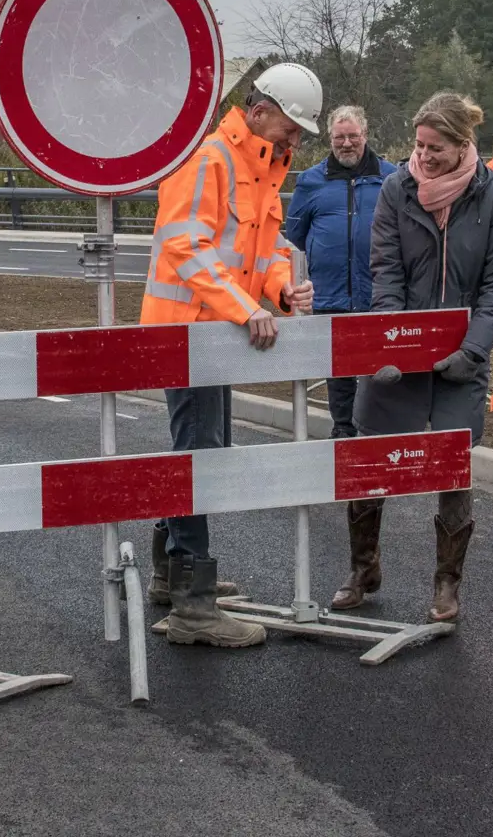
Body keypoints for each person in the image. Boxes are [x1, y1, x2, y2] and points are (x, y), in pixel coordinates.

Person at [141, 62, 320, 648]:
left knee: (204, 454)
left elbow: (259, 250)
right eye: (292, 128)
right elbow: (184, 246)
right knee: (200, 461)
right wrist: (246, 308)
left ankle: (172, 574)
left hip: (212, 335)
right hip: (187, 332)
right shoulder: (209, 157)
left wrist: (278, 288)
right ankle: (193, 607)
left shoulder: (260, 167)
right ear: (260, 110)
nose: (296, 141)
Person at [333, 92, 493, 622]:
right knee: (372, 459)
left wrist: (474, 349)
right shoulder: (398, 189)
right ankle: (362, 567)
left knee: (452, 471)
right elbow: (385, 269)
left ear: (464, 145)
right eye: (419, 146)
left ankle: (446, 584)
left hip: (462, 357)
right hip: (398, 355)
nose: (425, 156)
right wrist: (392, 340)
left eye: (436, 148)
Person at [284, 104, 398, 438]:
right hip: (330, 293)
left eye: (352, 136)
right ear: (330, 139)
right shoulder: (311, 182)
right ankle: (344, 429)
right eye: (339, 138)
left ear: (365, 135)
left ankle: (376, 429)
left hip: (378, 293)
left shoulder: (390, 178)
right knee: (340, 370)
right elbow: (296, 236)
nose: (346, 143)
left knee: (379, 367)